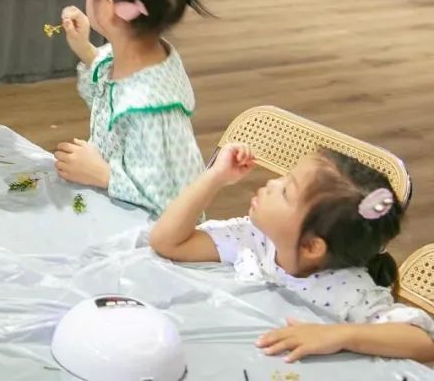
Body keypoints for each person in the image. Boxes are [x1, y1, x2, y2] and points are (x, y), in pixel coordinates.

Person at [150, 144, 434, 364]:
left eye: (286, 192)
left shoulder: (347, 290)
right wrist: (215, 177)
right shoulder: (255, 240)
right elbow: (168, 242)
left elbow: (423, 341)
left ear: (311, 247)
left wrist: (337, 335)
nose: (271, 183)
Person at [54, 0, 222, 216]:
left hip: (149, 233)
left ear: (110, 9)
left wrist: (103, 174)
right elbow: (110, 94)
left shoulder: (152, 110)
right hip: (115, 208)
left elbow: (174, 201)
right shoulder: (137, 55)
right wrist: (85, 49)